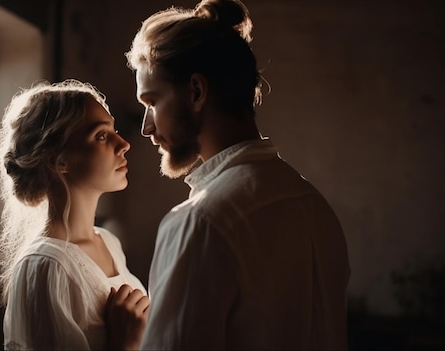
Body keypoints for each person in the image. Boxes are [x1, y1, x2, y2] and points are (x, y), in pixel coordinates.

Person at [125, 0, 350, 349]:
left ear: (196, 91)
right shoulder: (315, 207)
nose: (145, 127)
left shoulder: (199, 222)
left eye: (152, 102)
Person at [0, 79, 149, 350]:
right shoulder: (46, 266)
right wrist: (125, 345)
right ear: (58, 160)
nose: (123, 144)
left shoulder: (109, 242)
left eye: (115, 130)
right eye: (101, 135)